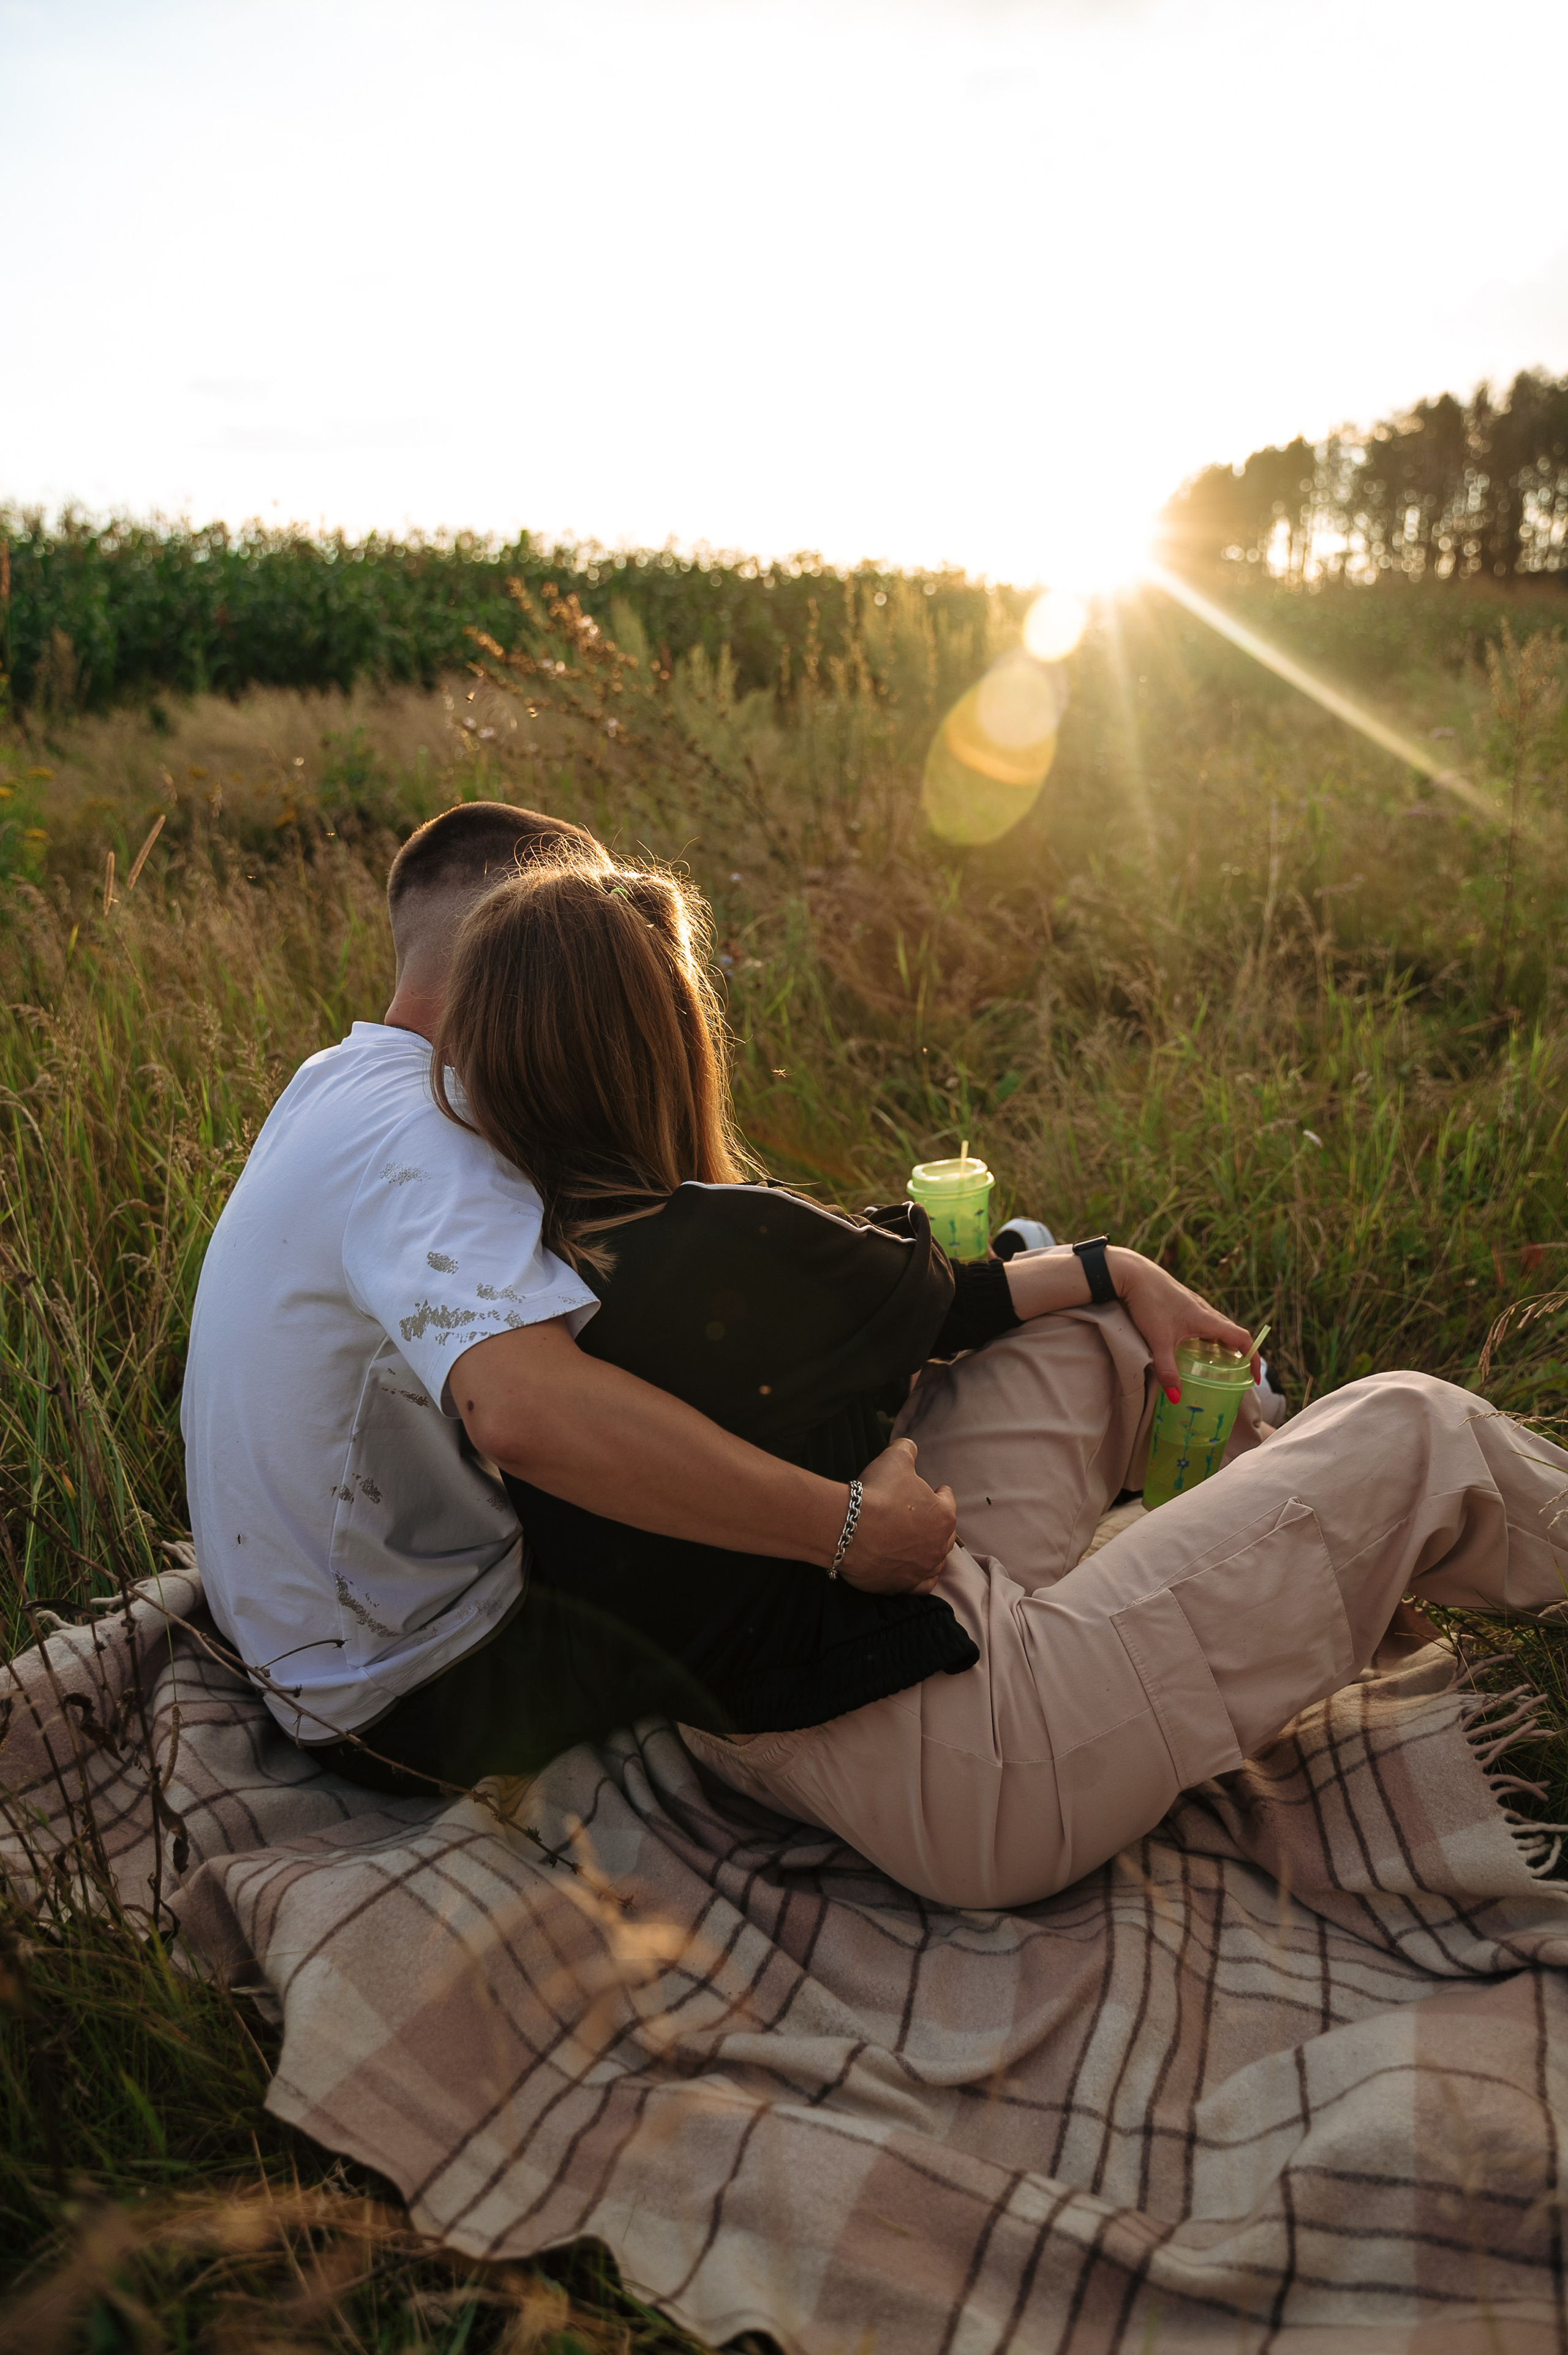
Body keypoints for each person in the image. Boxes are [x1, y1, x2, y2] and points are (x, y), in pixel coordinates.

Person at [400, 851, 1568, 1911]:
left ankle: (1309, 1540)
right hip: (984, 1764)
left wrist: (1114, 1271)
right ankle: (1365, 1533)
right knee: (1414, 1423)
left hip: (785, 1720)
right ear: (666, 1042)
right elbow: (946, 1290)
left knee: (1090, 1327)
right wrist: (1111, 1263)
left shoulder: (507, 1275)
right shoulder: (721, 1240)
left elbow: (943, 1301)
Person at [181, 803, 956, 1768]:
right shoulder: (436, 1141)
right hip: (420, 1692)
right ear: (525, 946)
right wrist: (849, 1533)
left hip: (315, 1650)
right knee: (777, 1514)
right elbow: (523, 1414)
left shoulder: (334, 1082)